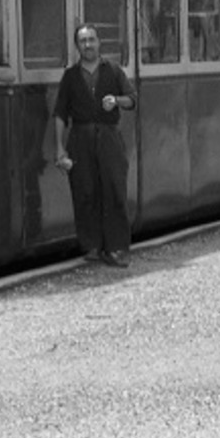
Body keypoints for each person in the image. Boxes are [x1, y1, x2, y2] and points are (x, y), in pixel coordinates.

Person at [53, 24, 136, 267]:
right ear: (77, 46)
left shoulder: (112, 70)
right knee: (84, 190)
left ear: (99, 43)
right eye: (82, 41)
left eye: (91, 40)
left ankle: (117, 248)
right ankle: (92, 246)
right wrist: (59, 147)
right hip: (80, 136)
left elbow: (132, 100)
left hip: (109, 136)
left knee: (114, 189)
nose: (87, 45)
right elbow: (60, 114)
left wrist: (117, 101)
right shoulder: (70, 76)